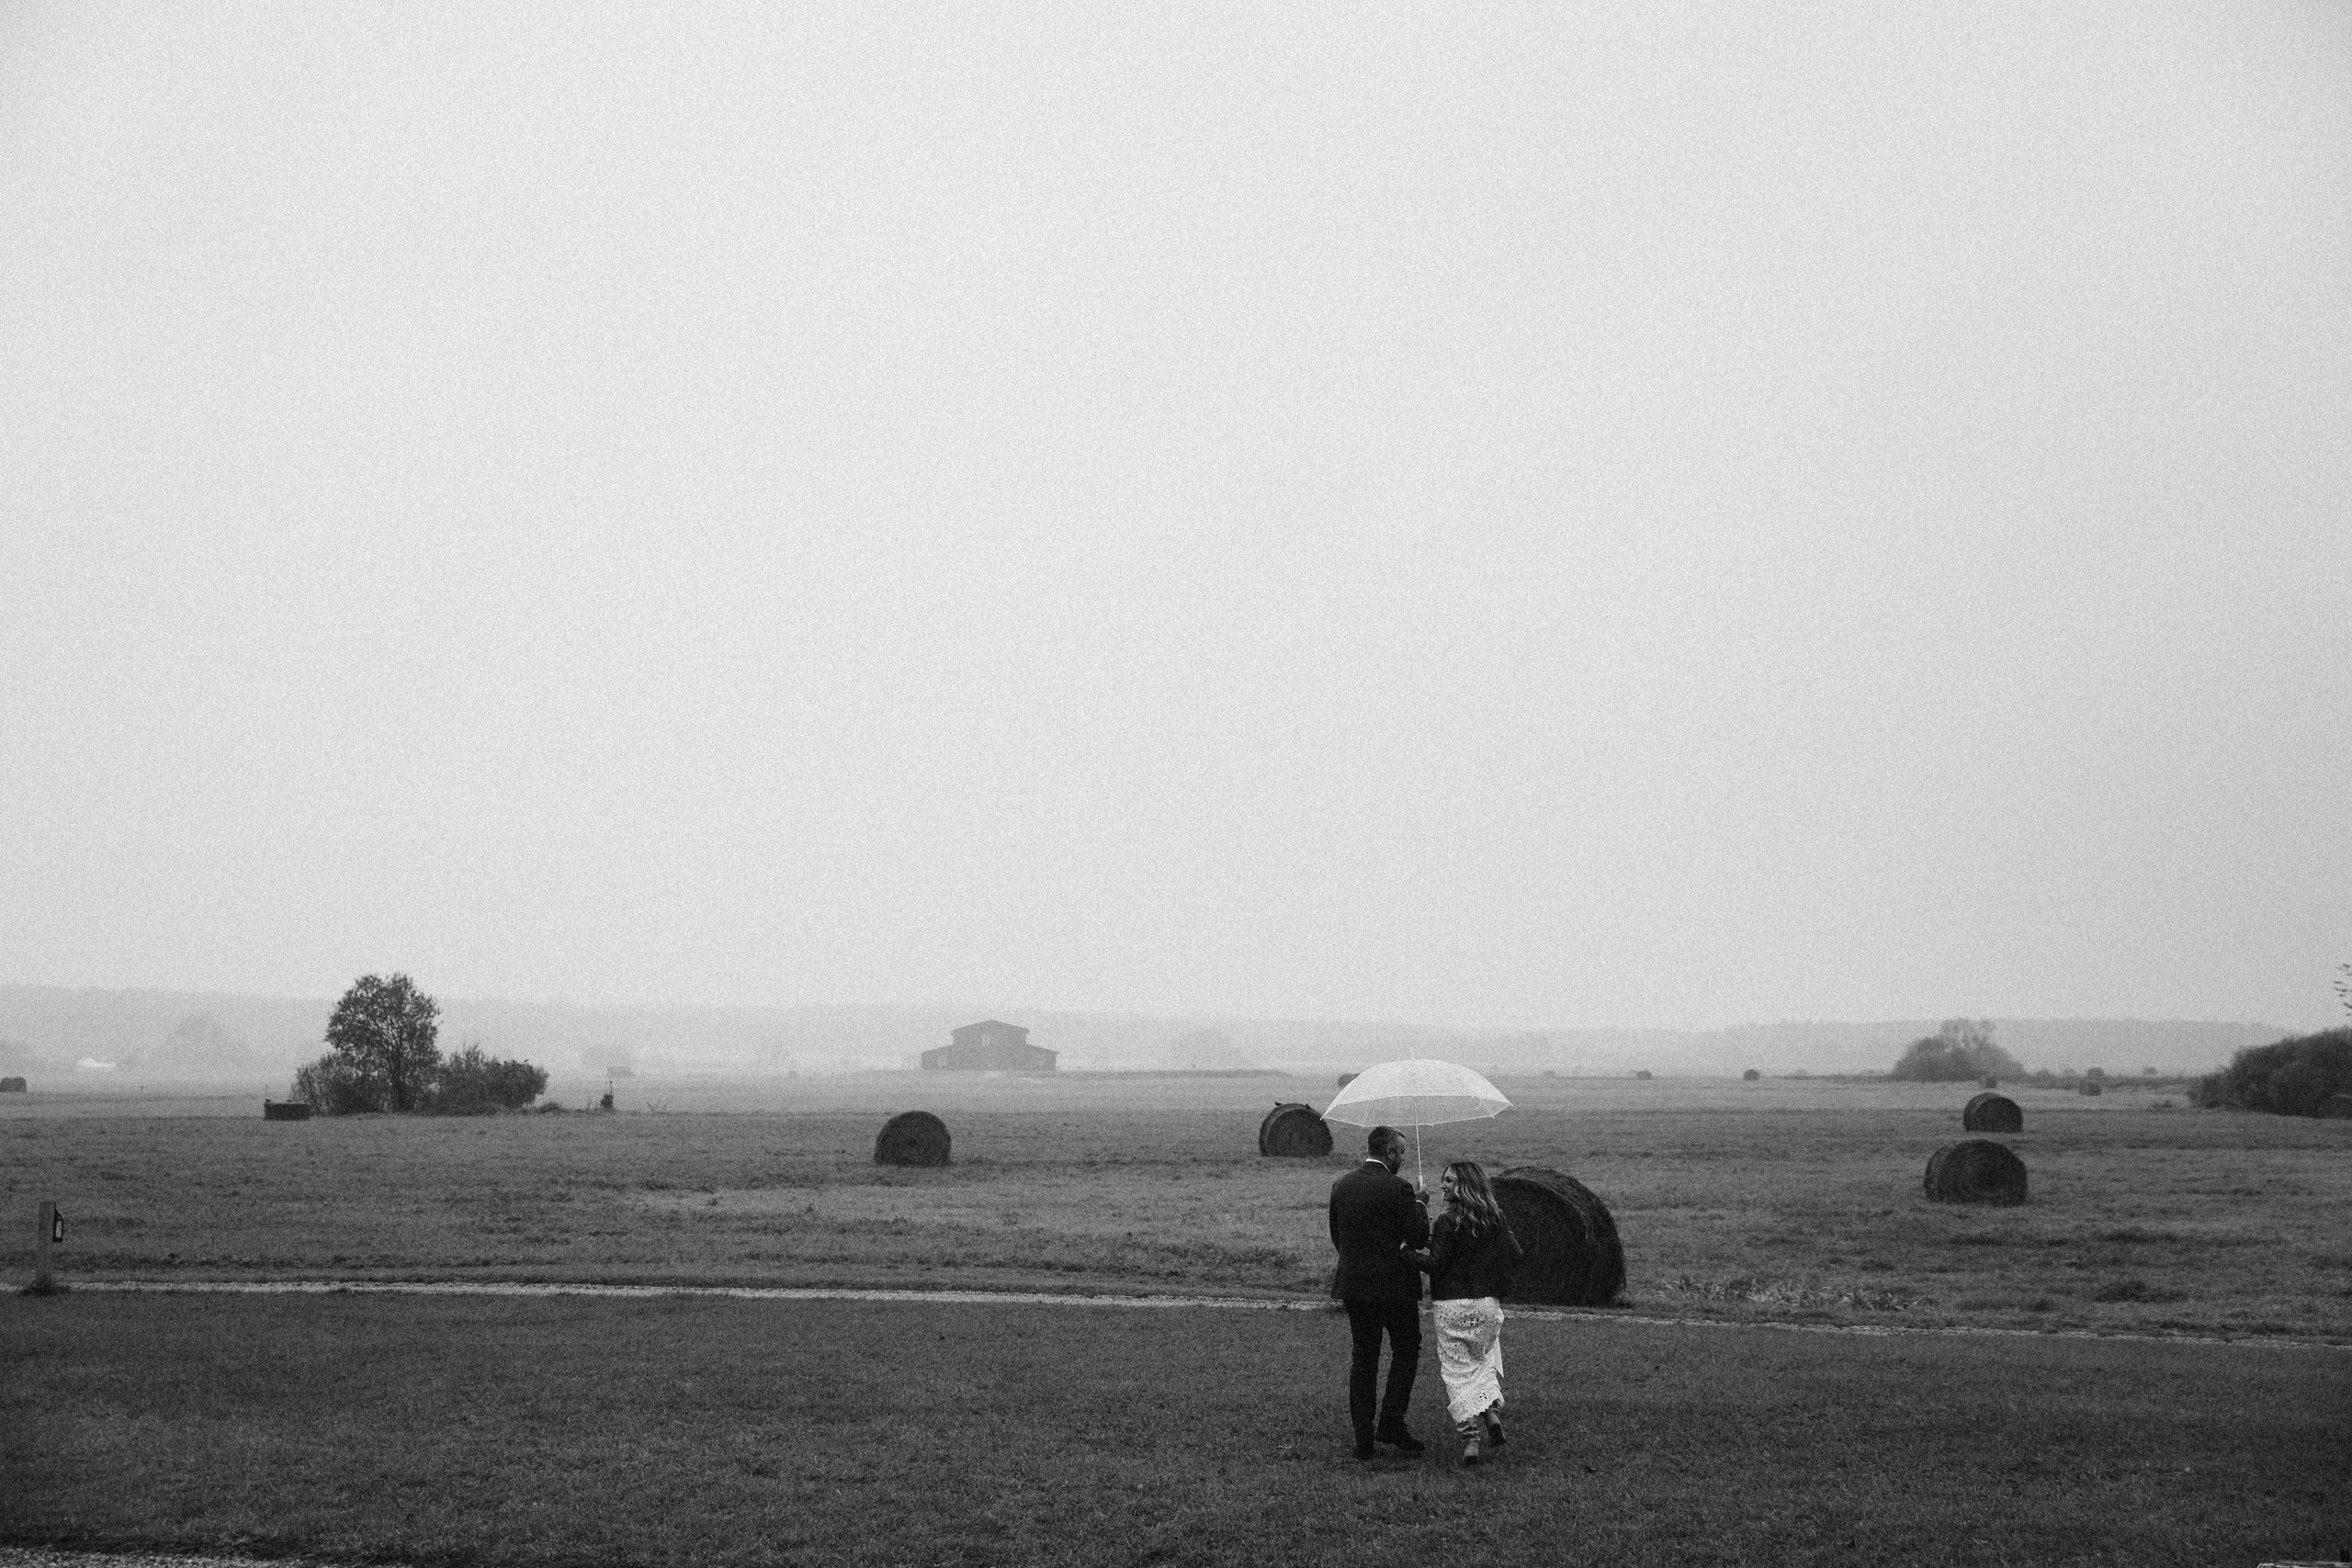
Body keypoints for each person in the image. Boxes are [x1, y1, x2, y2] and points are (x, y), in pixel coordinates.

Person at [1403, 1159, 1523, 1465]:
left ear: (1465, 1185)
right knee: (1481, 1362)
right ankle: (1491, 1415)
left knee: (1457, 1373)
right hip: (1486, 1305)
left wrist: (1405, 1253)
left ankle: (1471, 1440)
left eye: (1450, 1181)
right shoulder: (1495, 1216)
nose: (1443, 1184)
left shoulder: (1447, 1220)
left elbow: (1437, 1265)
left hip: (1452, 1307)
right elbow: (1515, 1253)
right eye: (1443, 1179)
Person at [1328, 1124, 1431, 1459]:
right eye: (1401, 1152)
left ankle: (1363, 1436)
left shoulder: (1341, 1185)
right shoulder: (1400, 1188)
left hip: (1355, 1286)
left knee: (1364, 1358)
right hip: (1395, 1288)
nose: (1403, 1157)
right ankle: (1391, 1422)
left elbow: (1337, 1239)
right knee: (1406, 1350)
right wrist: (1419, 1202)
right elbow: (1417, 1237)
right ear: (1389, 1152)